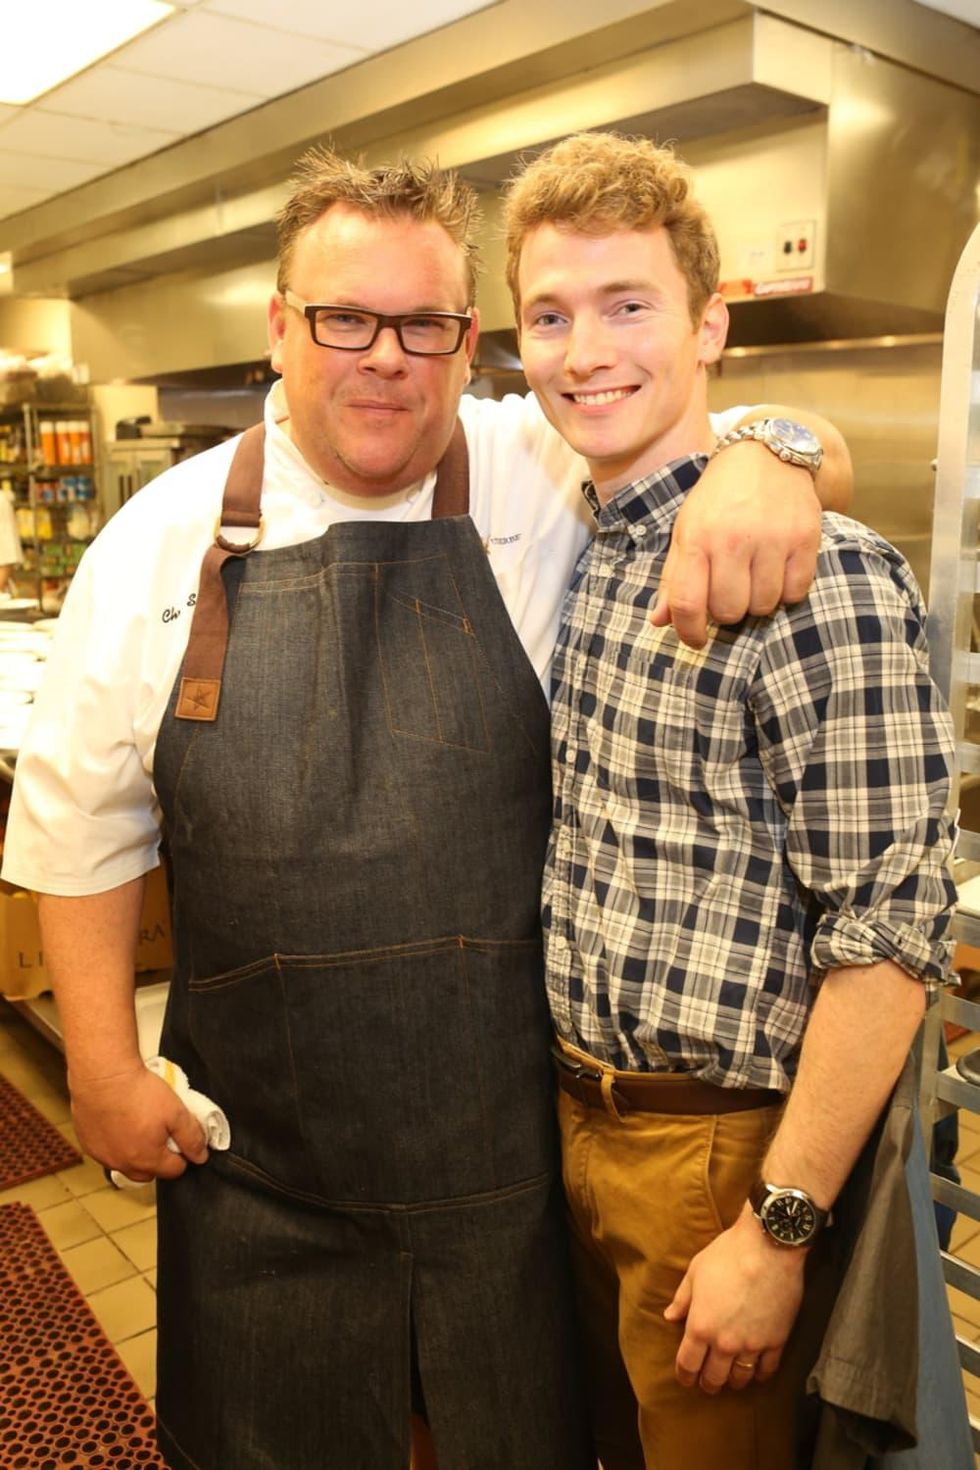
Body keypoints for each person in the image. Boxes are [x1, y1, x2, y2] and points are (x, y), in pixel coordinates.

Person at [3, 146, 851, 1470]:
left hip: (500, 1178)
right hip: (259, 1177)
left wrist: (779, 452)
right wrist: (104, 1069)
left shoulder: (540, 472)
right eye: (346, 318)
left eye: (426, 325)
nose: (385, 358)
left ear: (471, 344)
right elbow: (81, 825)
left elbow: (718, 428)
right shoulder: (160, 544)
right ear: (281, 327)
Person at [503, 131, 958, 1470]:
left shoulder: (822, 576)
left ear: (711, 323)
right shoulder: (589, 545)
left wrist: (779, 1226)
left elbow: (889, 933)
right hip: (574, 1124)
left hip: (720, 1153)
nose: (584, 351)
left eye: (627, 305)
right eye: (548, 314)